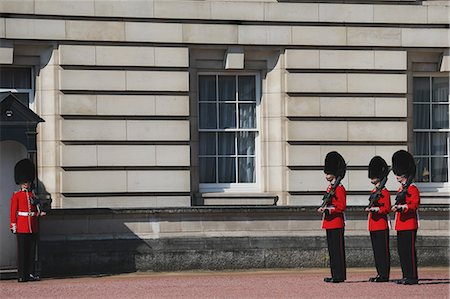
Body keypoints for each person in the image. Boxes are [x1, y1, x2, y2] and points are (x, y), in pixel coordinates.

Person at [10, 159, 45, 282]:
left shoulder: (33, 195)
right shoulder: (17, 195)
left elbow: (37, 211)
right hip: (22, 226)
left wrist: (39, 211)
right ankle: (21, 275)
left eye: (27, 182)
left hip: (32, 226)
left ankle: (31, 273)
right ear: (20, 182)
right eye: (24, 182)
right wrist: (13, 224)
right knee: (22, 252)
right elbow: (13, 211)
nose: (26, 184)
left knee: (31, 252)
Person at [391, 150, 420, 285]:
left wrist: (402, 208)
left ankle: (412, 276)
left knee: (409, 251)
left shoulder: (412, 188)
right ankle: (405, 275)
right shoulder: (401, 189)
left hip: (409, 224)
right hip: (401, 224)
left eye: (398, 173)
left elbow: (414, 205)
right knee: (402, 251)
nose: (396, 176)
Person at [318, 151, 347, 283]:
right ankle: (335, 273)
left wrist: (328, 210)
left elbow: (341, 207)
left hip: (336, 222)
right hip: (330, 223)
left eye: (328, 172)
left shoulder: (339, 188)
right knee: (332, 250)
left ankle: (340, 275)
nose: (326, 175)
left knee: (337, 250)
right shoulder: (330, 188)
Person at [365, 156, 391, 282]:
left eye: (374, 175)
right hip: (373, 224)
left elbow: (387, 208)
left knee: (382, 251)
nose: (372, 178)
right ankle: (380, 273)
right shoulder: (374, 191)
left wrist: (377, 210)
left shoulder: (384, 192)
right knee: (376, 251)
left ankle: (384, 274)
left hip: (381, 225)